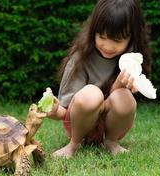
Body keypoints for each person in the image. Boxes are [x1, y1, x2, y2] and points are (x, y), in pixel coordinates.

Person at [46, 0, 152, 159]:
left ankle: (111, 142)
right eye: (102, 36)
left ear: (132, 37)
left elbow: (116, 103)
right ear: (93, 31)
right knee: (92, 93)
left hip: (109, 126)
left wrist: (120, 83)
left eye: (117, 40)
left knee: (125, 97)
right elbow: (65, 112)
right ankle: (74, 144)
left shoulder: (131, 60)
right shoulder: (80, 60)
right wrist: (53, 111)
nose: (108, 46)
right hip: (79, 123)